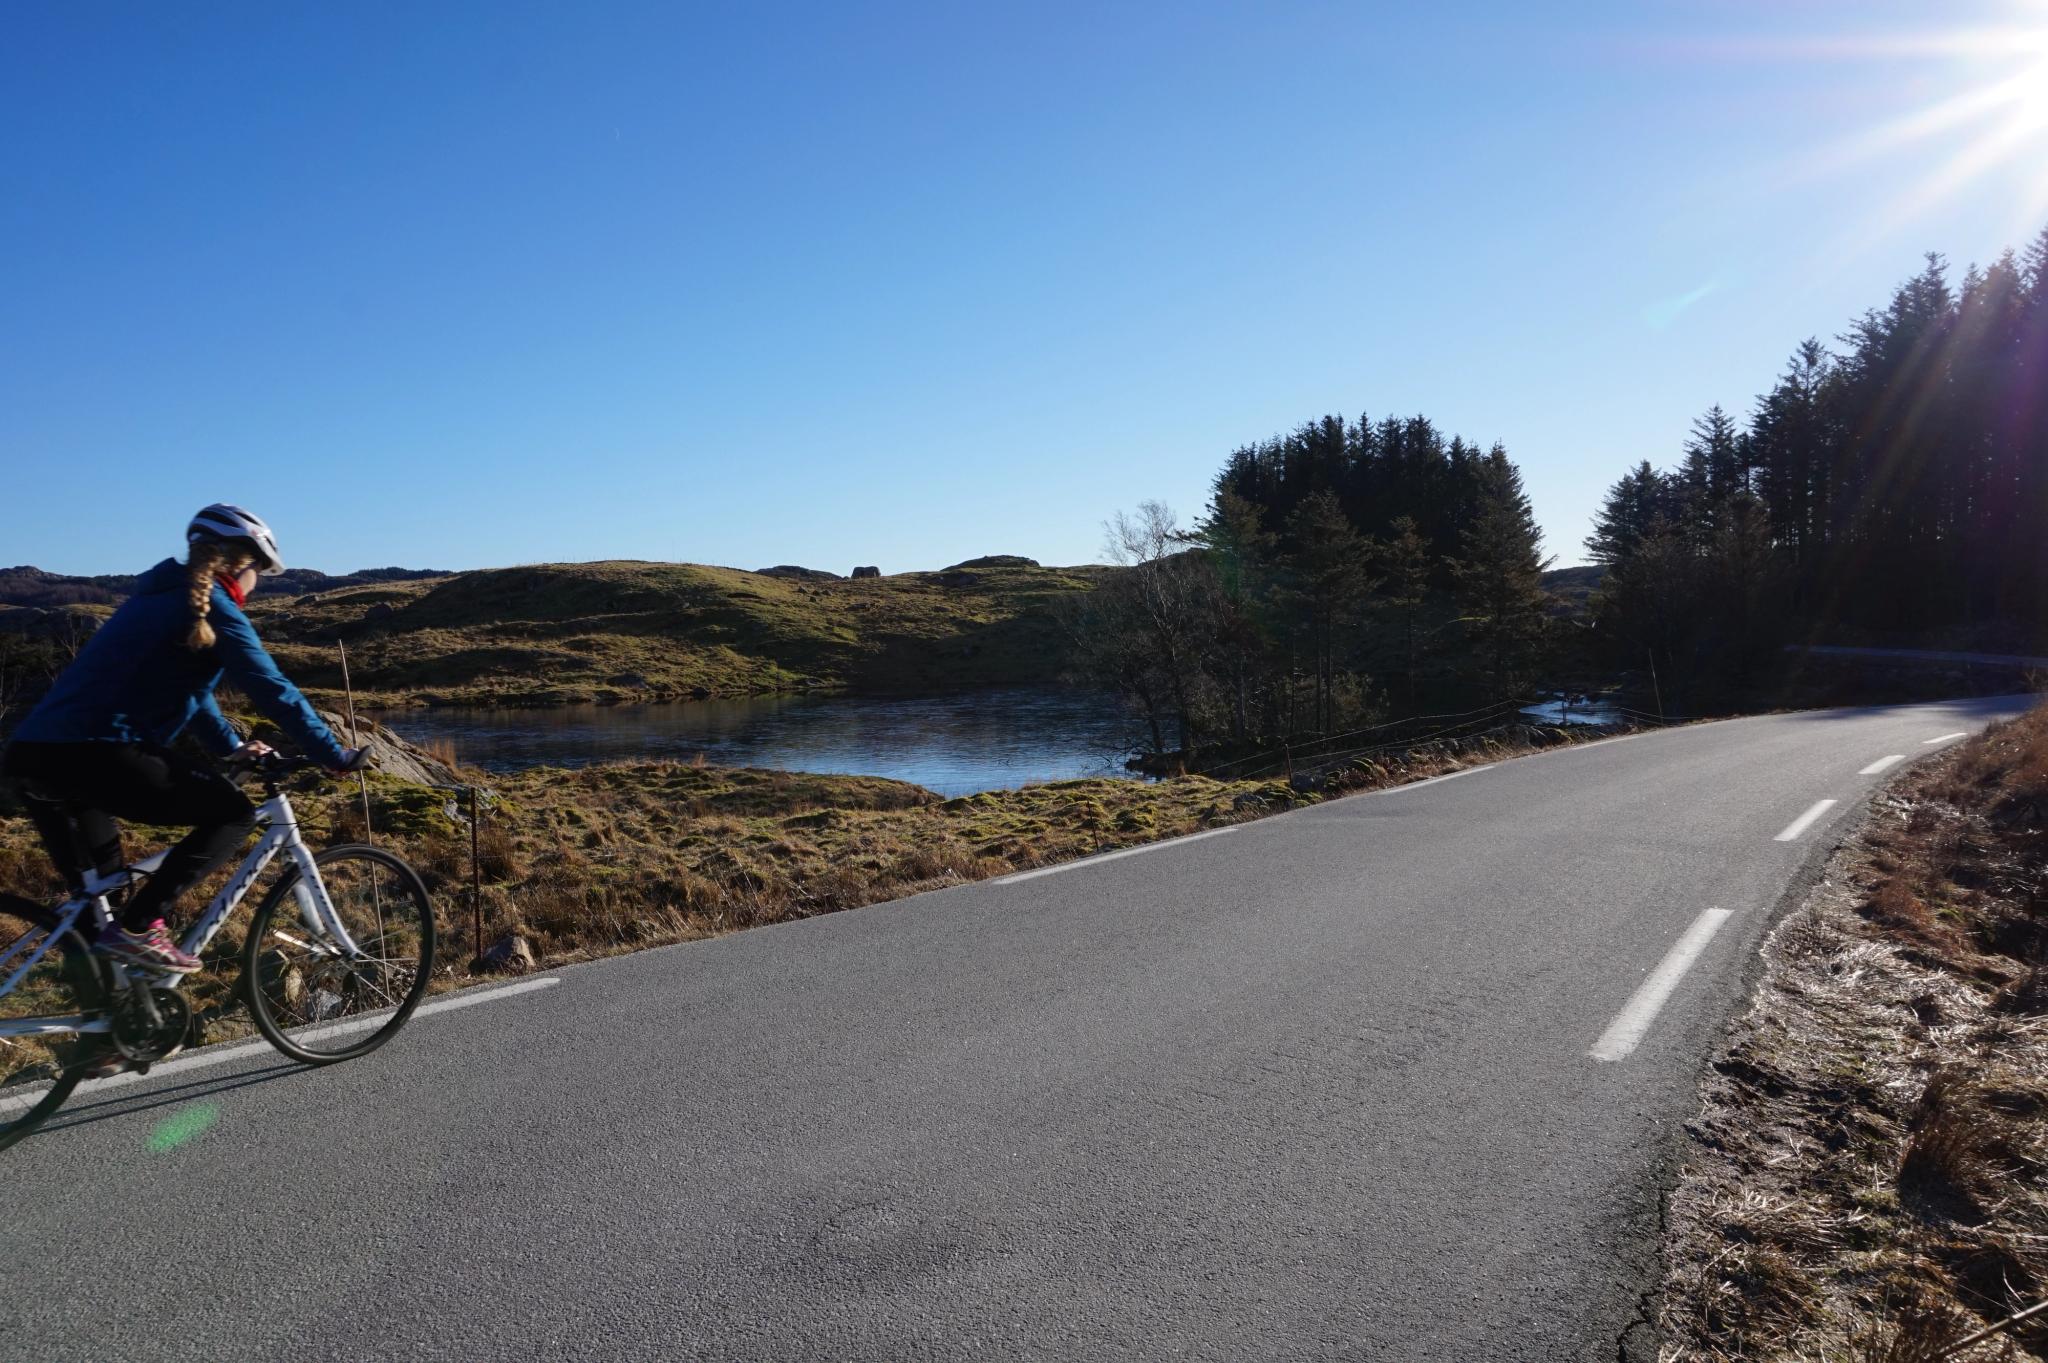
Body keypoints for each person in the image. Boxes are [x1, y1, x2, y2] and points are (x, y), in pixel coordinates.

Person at [2, 504, 365, 973]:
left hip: (35, 754)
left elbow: (193, 697)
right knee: (232, 813)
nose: (260, 581)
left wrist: (229, 748)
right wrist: (332, 753)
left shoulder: (156, 597)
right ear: (244, 563)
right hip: (98, 749)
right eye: (262, 570)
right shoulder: (215, 603)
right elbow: (272, 689)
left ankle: (107, 1031)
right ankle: (142, 927)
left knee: (101, 901)